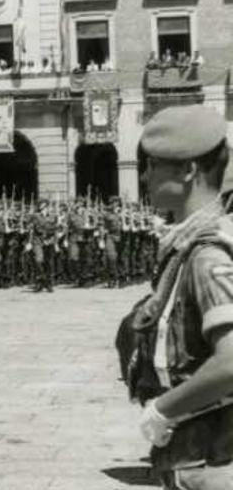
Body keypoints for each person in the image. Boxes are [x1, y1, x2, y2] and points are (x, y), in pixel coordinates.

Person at [119, 105, 233, 490]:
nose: (146, 176)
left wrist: (164, 411)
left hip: (210, 464)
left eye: (154, 165)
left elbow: (231, 362)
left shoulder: (206, 255)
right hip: (198, 457)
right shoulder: (191, 246)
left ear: (188, 170)